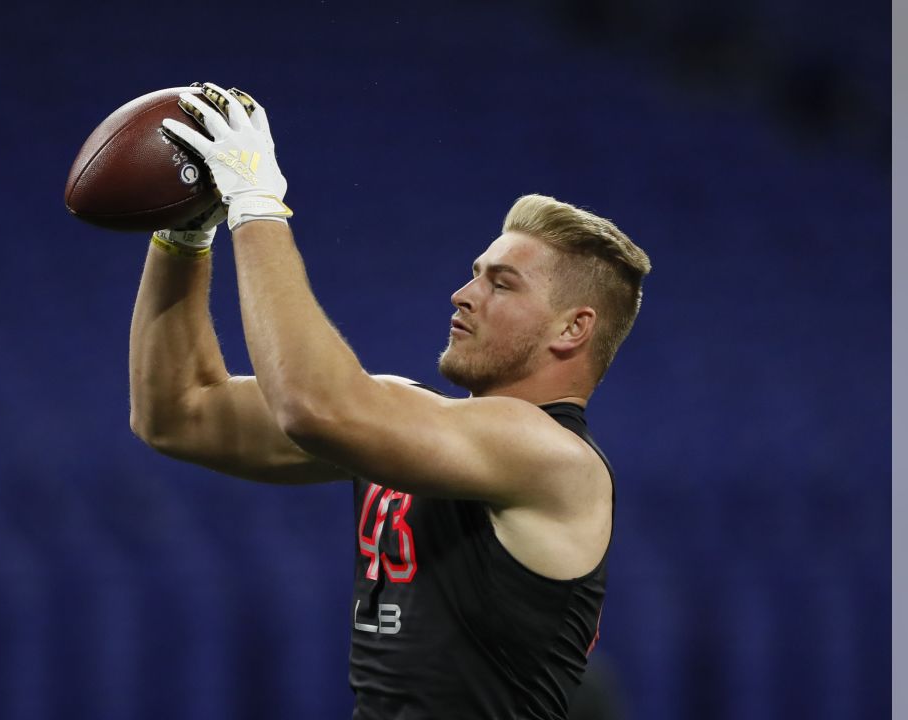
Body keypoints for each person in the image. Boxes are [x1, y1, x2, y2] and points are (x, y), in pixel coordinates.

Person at [130, 82, 651, 719]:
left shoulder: (553, 457)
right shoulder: (416, 420)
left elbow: (314, 407)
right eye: (474, 272)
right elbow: (178, 412)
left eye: (501, 284)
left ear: (573, 329)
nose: (463, 294)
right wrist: (184, 238)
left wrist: (256, 202)